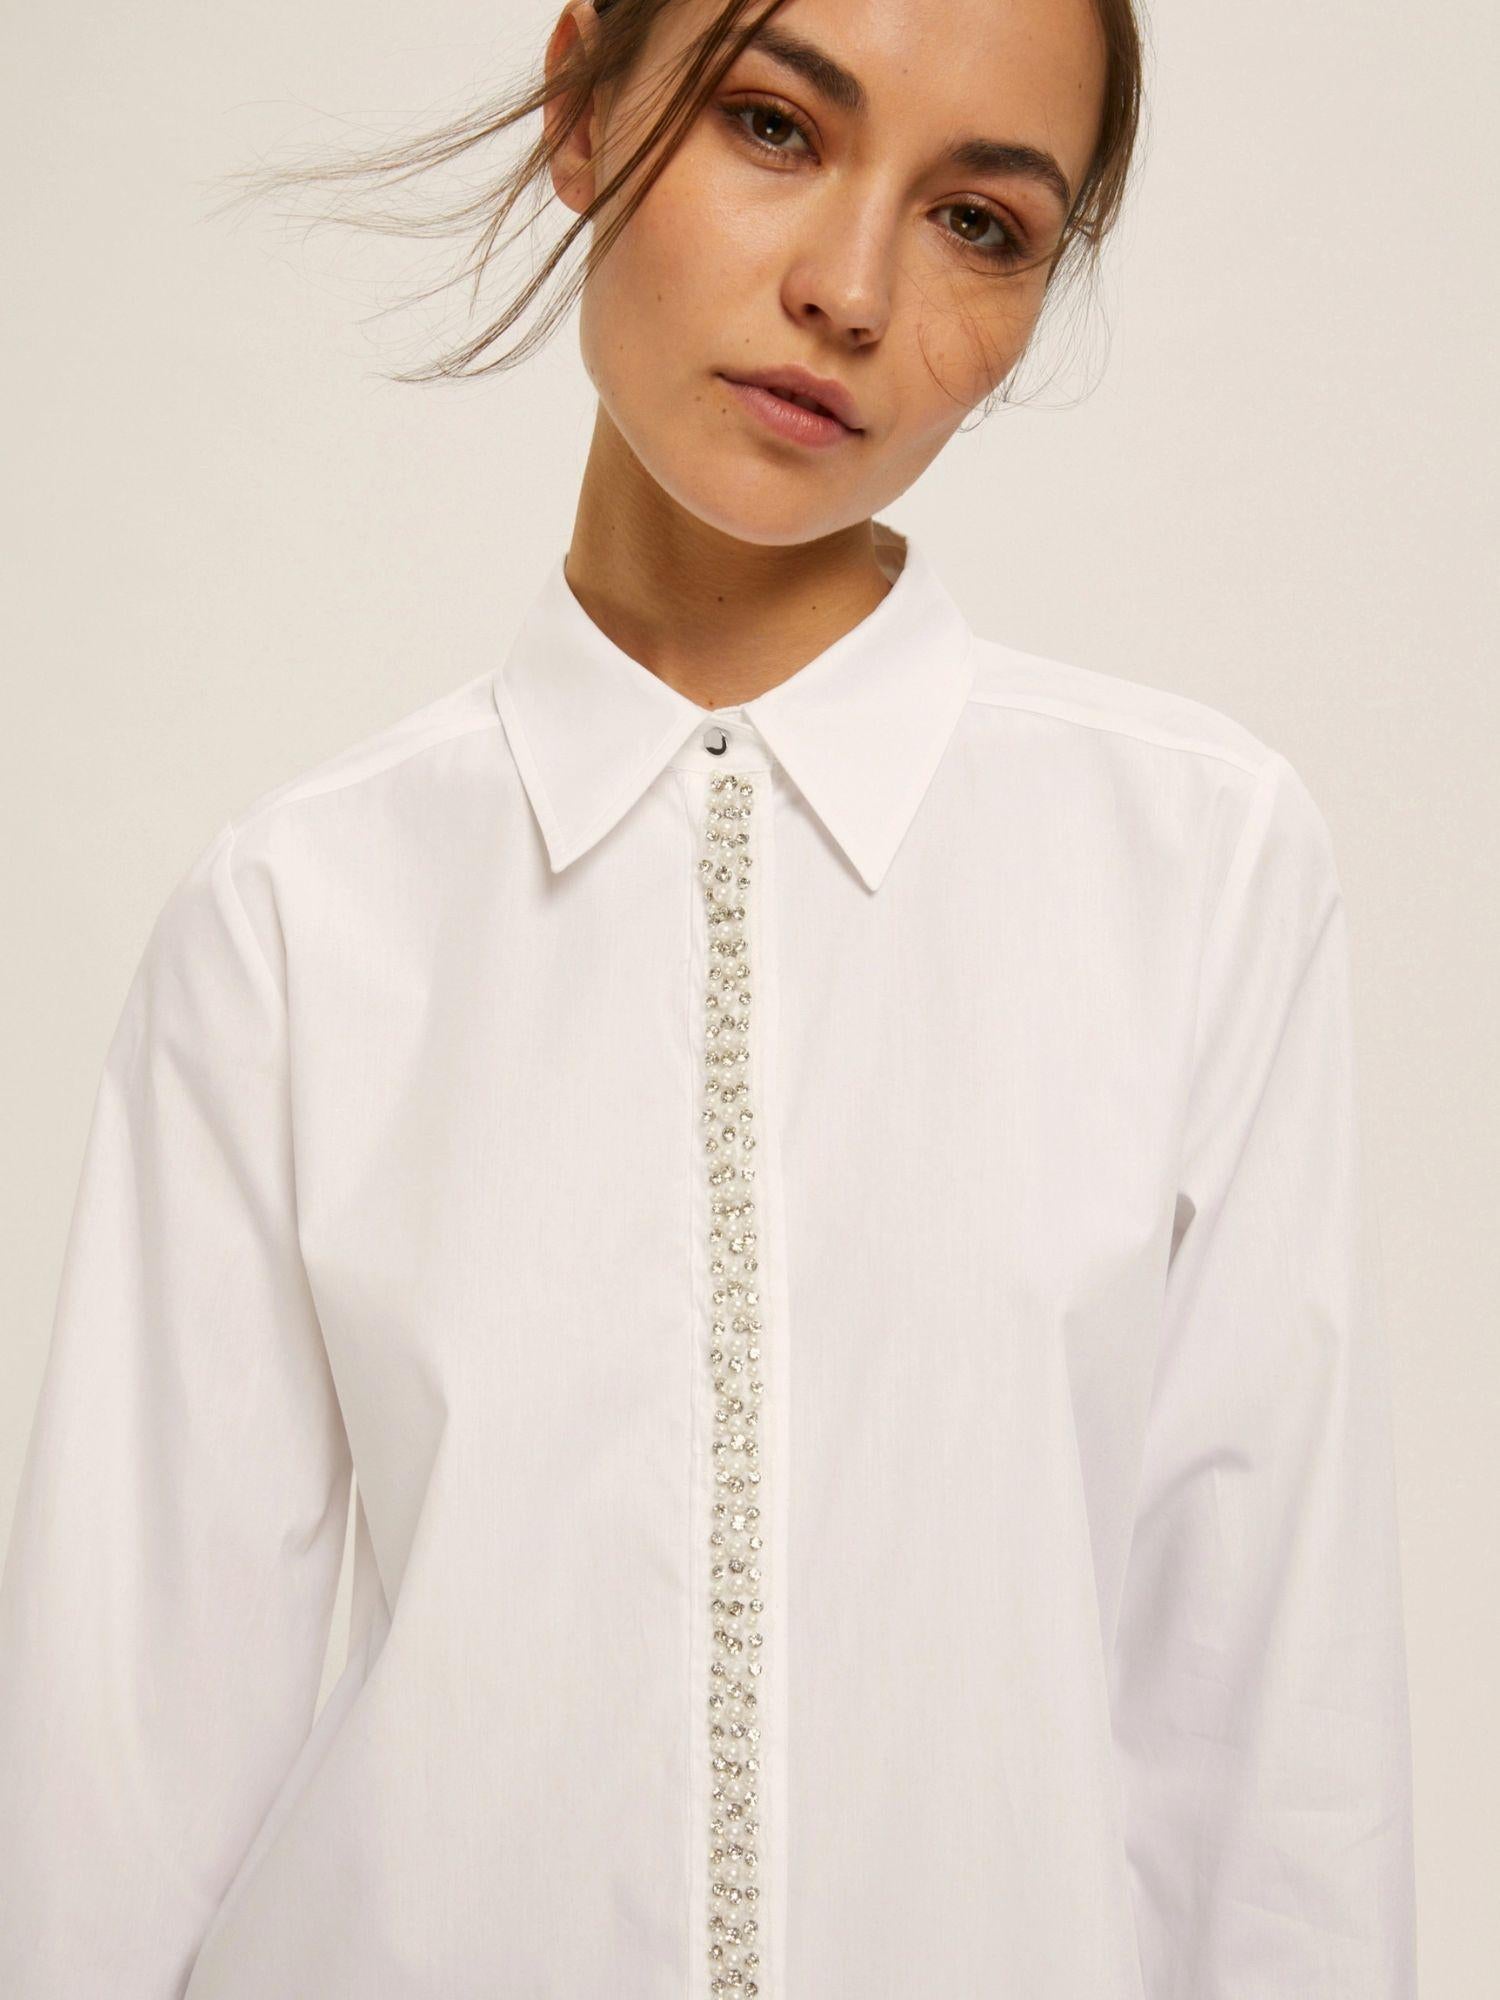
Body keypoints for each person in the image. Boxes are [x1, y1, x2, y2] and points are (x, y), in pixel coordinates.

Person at [0, 1, 1417, 1994]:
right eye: (772, 125)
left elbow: (1273, 1761)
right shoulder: (298, 920)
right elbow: (108, 1806)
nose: (851, 290)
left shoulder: (1197, 869)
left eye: (981, 223)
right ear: (583, 105)